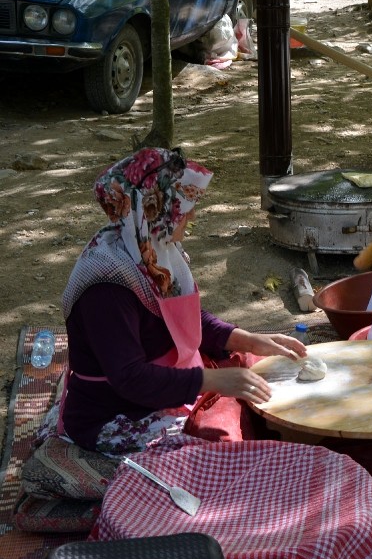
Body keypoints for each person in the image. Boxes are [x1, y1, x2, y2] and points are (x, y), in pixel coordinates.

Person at [40, 147, 308, 455]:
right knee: (220, 444)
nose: (191, 215)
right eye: (184, 208)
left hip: (160, 381)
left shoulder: (149, 249)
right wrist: (213, 380)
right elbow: (130, 378)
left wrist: (246, 340)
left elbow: (180, 317)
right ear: (153, 210)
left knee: (248, 369)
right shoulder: (106, 286)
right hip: (115, 411)